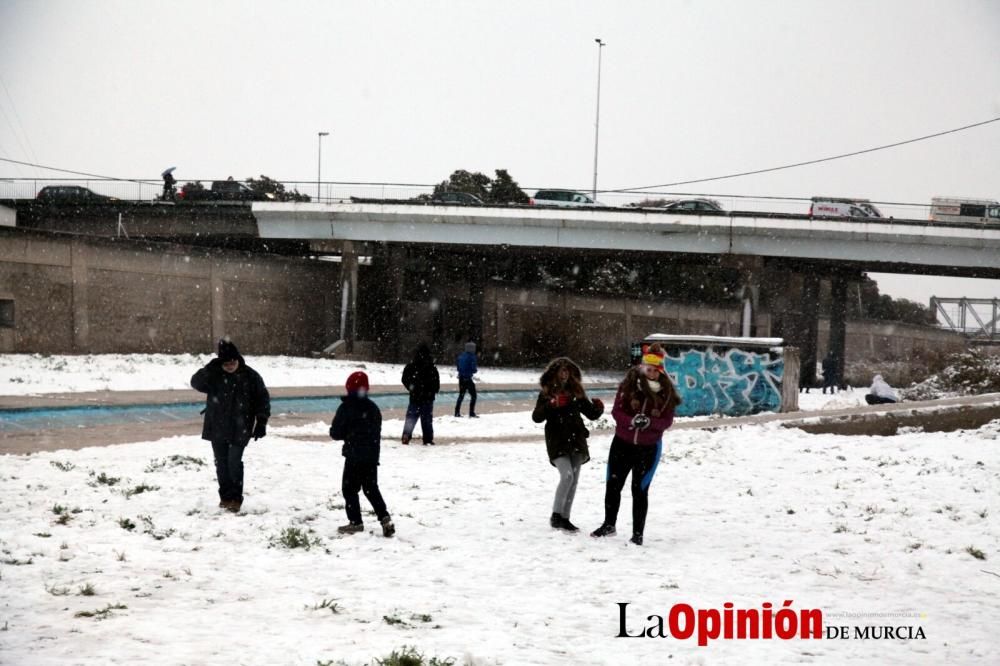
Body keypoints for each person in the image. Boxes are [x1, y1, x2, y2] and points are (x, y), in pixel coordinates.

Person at [591, 344, 681, 546]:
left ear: (660, 371)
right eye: (647, 368)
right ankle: (609, 524)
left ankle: (638, 533)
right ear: (642, 368)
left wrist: (650, 423)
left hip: (648, 448)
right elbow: (616, 412)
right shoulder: (628, 386)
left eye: (655, 370)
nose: (650, 373)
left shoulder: (666, 393)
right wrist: (631, 421)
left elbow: (666, 421)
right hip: (622, 443)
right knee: (613, 485)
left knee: (639, 490)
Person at [190, 338, 270, 512]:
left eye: (232, 362)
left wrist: (261, 422)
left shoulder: (250, 376)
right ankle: (225, 497)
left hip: (240, 427)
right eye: (225, 364)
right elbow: (195, 382)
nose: (230, 366)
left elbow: (262, 399)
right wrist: (210, 367)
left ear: (238, 359)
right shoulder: (214, 375)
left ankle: (236, 498)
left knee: (234, 462)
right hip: (217, 425)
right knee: (221, 463)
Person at [532, 357, 604, 532]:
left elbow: (591, 414)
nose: (564, 374)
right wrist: (551, 404)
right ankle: (556, 515)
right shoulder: (547, 392)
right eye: (562, 370)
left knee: (574, 480)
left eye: (567, 370)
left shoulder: (576, 392)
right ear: (555, 372)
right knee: (567, 476)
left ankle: (565, 518)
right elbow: (537, 417)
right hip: (557, 440)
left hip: (577, 439)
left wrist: (598, 408)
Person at [329, 371, 395, 537]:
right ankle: (385, 518)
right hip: (371, 456)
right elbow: (375, 432)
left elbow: (336, 432)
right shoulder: (373, 408)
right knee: (371, 488)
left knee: (349, 489)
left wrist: (346, 433)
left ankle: (356, 522)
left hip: (353, 456)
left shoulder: (346, 408)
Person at [401, 343, 440, 445]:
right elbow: (436, 382)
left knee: (411, 418)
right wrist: (433, 391)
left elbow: (404, 378)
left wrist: (411, 388)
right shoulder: (431, 367)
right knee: (426, 420)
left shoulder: (412, 366)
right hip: (427, 398)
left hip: (415, 397)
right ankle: (427, 439)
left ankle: (406, 435)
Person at [454, 341, 479, 418]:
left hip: (461, 378)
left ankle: (456, 412)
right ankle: (471, 412)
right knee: (474, 395)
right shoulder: (472, 357)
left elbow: (458, 367)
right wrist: (474, 370)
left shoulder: (461, 356)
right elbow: (473, 369)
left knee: (461, 395)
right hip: (468, 378)